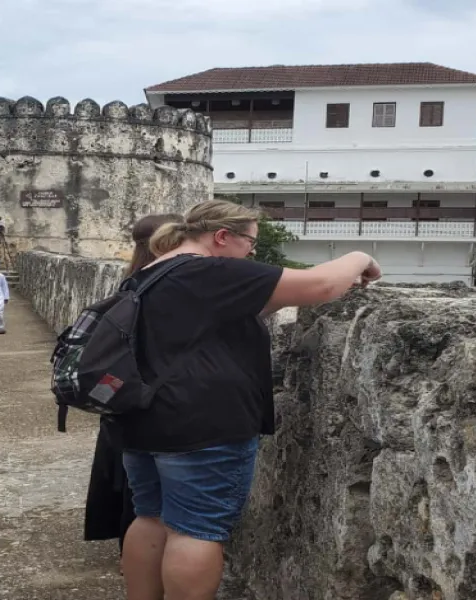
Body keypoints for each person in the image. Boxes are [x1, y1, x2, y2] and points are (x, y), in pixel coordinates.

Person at [119, 199, 381, 600]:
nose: (252, 253)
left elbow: (214, 321)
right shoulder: (212, 270)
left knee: (150, 518)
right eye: (250, 243)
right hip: (203, 424)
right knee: (198, 530)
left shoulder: (151, 271)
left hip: (142, 417)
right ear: (223, 237)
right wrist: (361, 255)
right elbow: (323, 286)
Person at [83, 212, 185, 561]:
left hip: (120, 399)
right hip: (150, 400)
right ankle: (144, 560)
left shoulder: (131, 282)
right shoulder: (164, 286)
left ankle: (131, 557)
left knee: (133, 486)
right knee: (149, 493)